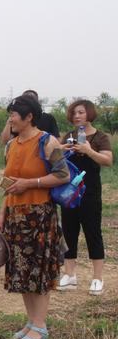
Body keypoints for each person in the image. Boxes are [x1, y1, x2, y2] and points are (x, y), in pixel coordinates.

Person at [0, 94, 69, 339]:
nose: (11, 119)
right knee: (22, 271)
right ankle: (31, 322)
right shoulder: (12, 145)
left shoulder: (48, 142)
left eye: (14, 115)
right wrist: (2, 212)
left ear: (29, 117)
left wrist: (31, 183)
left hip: (39, 216)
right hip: (15, 216)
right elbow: (8, 182)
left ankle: (40, 326)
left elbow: (63, 175)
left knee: (38, 272)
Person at [57, 99, 113, 295]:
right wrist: (62, 151)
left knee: (92, 232)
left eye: (80, 112)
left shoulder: (100, 137)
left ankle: (97, 278)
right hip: (69, 191)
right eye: (74, 113)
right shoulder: (69, 136)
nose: (77, 116)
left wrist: (88, 150)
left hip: (90, 191)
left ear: (89, 113)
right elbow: (57, 161)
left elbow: (107, 160)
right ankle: (69, 274)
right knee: (69, 230)